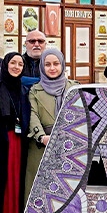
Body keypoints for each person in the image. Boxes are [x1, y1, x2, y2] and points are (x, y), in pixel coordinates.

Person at [0, 51, 30, 213]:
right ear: (5, 65)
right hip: (1, 143)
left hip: (20, 143)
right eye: (12, 63)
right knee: (3, 188)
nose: (16, 67)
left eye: (20, 64)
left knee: (17, 187)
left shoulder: (24, 90)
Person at [25, 47, 70, 192]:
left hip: (68, 146)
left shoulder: (73, 88)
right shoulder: (35, 90)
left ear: (62, 65)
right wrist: (42, 137)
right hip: (42, 145)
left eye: (56, 64)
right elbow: (32, 114)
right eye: (47, 64)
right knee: (39, 189)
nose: (52, 68)